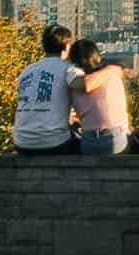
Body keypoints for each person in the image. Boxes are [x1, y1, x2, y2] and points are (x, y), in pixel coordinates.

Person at [13, 25, 84, 157]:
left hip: (21, 143)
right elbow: (85, 85)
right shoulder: (69, 69)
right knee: (90, 145)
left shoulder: (27, 71)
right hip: (54, 144)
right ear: (67, 46)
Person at [69, 39, 132, 157]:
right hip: (115, 139)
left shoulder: (73, 83)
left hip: (88, 142)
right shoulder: (112, 74)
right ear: (96, 56)